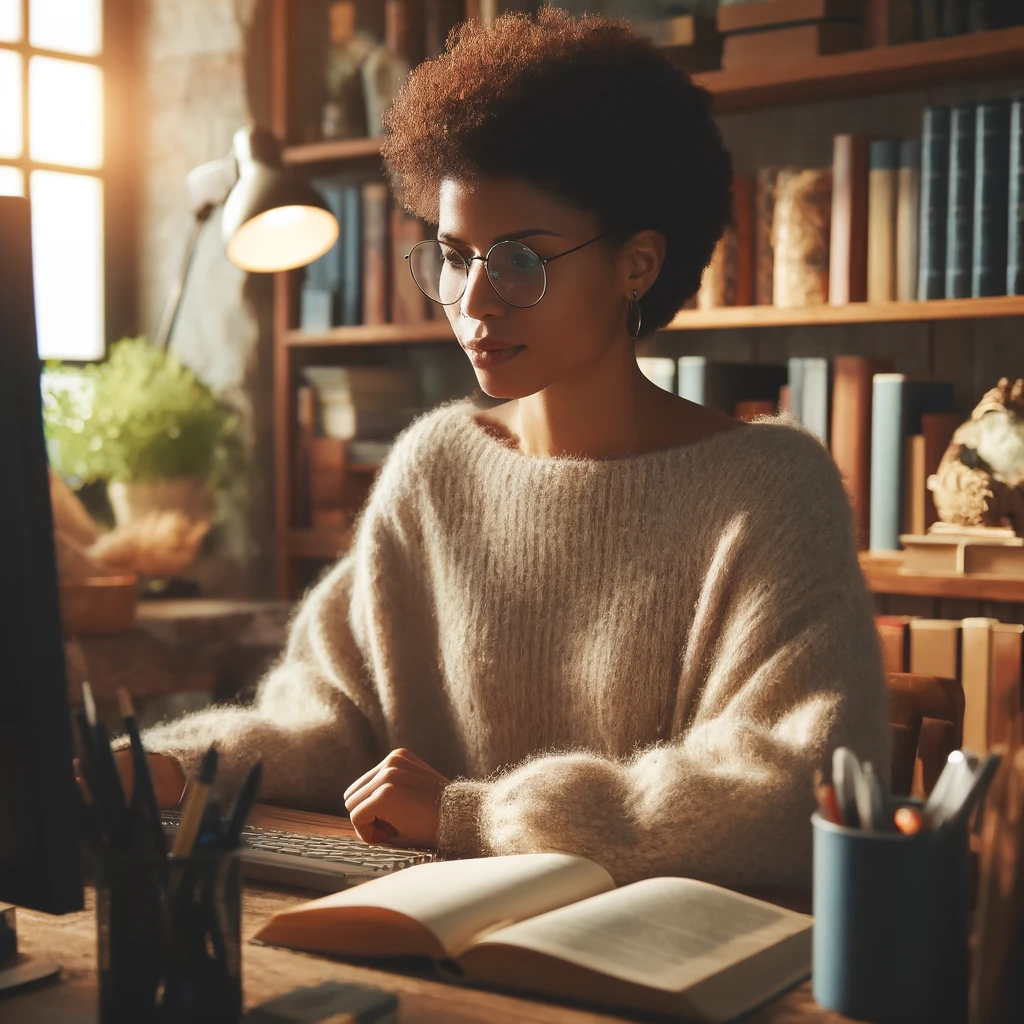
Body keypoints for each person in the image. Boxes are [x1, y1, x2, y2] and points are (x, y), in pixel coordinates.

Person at [118, 9, 888, 890]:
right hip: (433, 941)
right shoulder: (435, 467)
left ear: (637, 264)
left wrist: (476, 815)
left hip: (658, 969)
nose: (472, 303)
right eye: (454, 254)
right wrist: (177, 766)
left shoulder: (769, 491)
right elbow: (327, 713)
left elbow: (788, 794)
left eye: (519, 259)